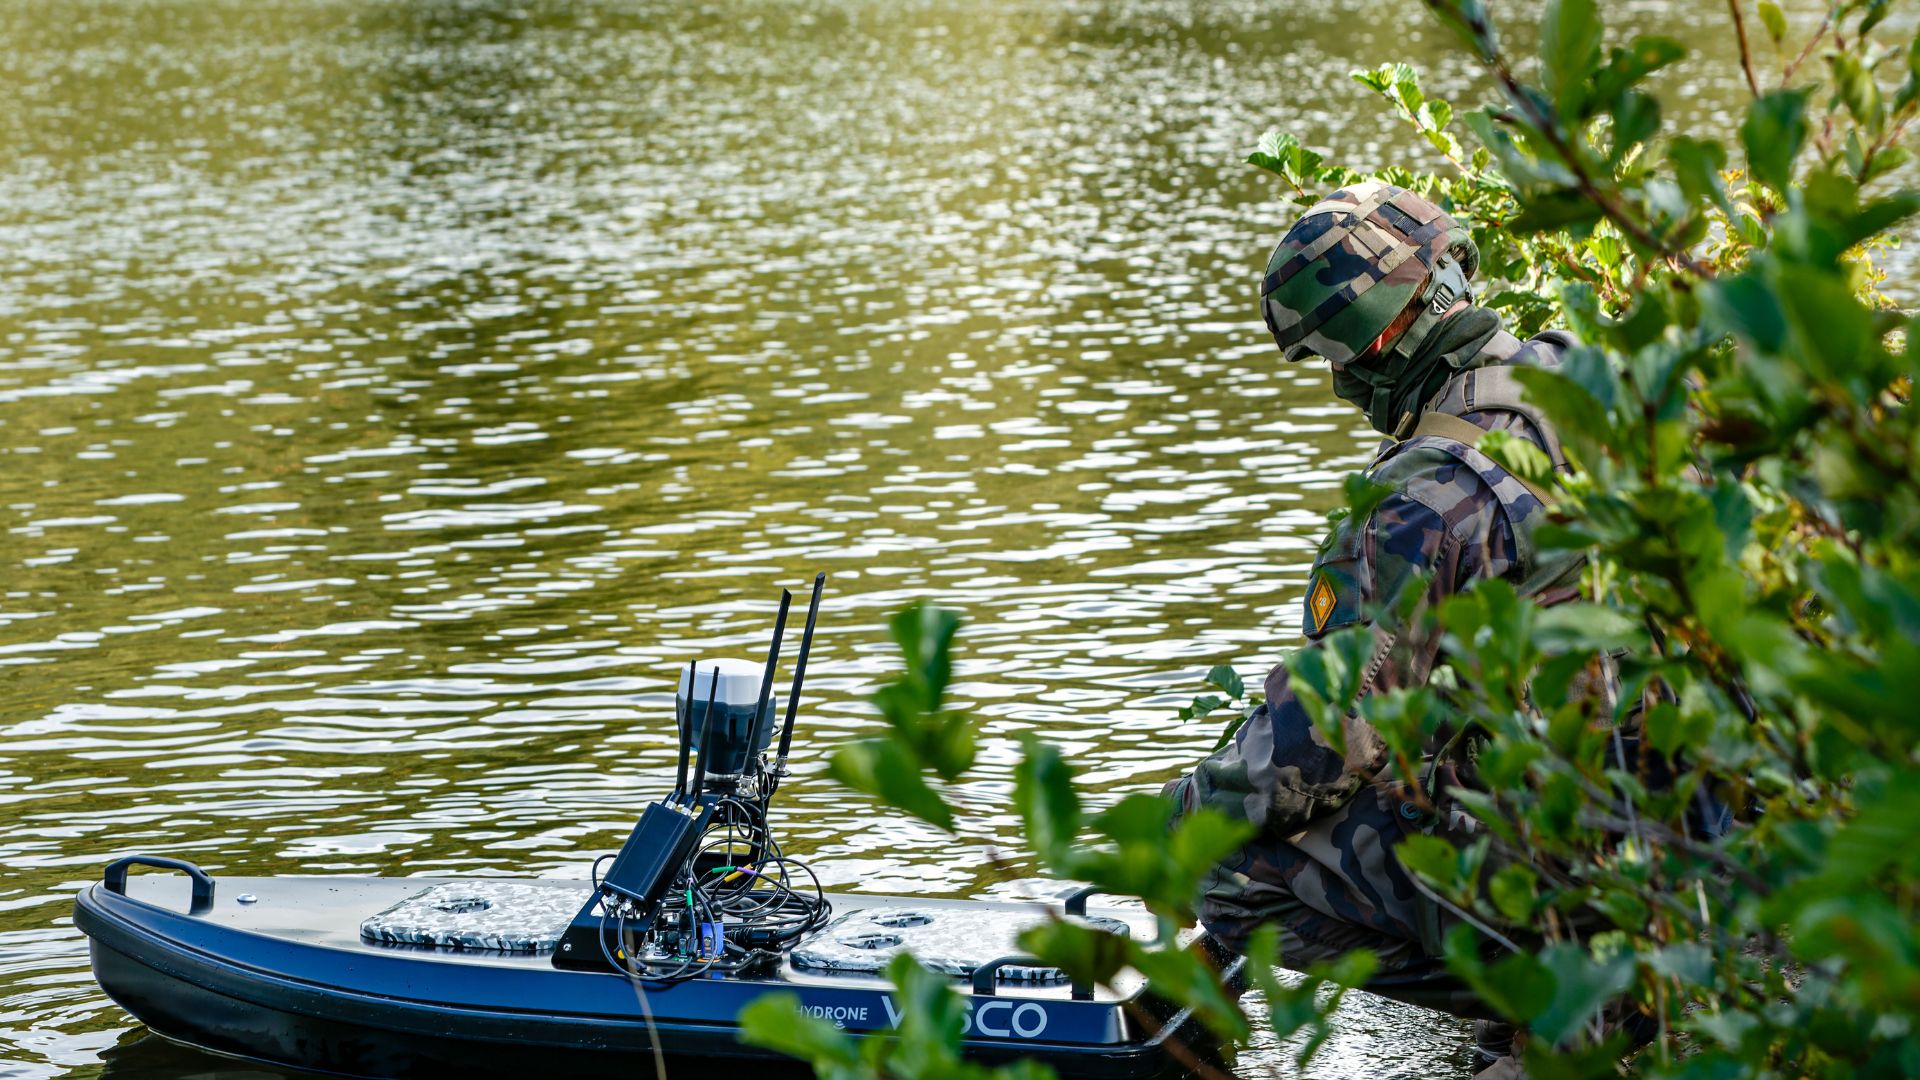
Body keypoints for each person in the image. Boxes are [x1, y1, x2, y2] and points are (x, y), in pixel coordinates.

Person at [1162, 181, 1588, 1078]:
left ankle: (1558, 996)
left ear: (1389, 333)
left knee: (1228, 869)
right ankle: (1534, 1020)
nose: (1337, 380)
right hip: (1703, 832)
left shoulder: (1424, 493)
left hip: (1592, 881)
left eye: (1337, 349)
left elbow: (1316, 743)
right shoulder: (1585, 381)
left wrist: (1173, 824)